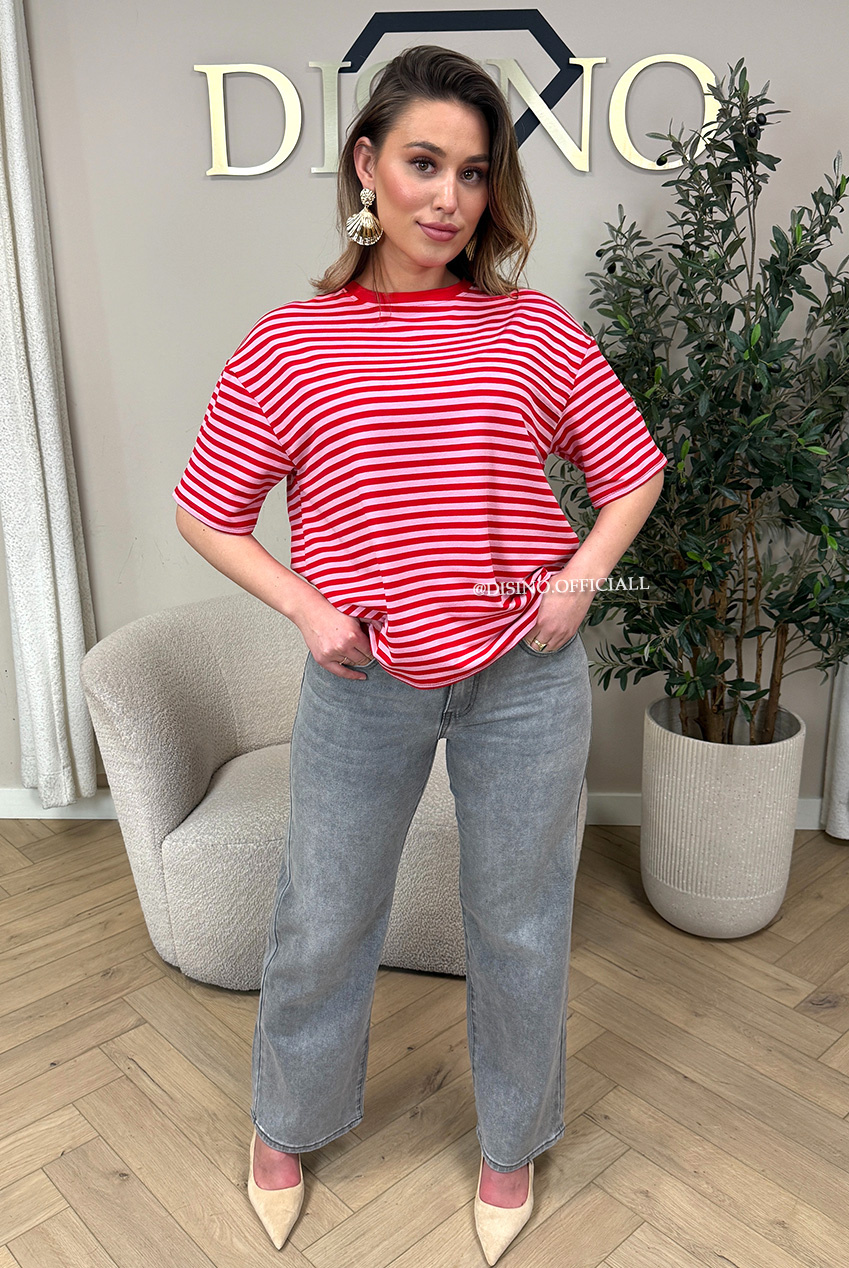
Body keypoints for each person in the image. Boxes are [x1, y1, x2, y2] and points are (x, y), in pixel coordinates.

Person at [173, 44, 667, 1265]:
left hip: (524, 679)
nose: (449, 197)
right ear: (367, 166)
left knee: (519, 920)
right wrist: (306, 608)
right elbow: (207, 507)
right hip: (364, 681)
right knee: (325, 910)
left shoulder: (531, 328)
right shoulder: (293, 341)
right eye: (424, 163)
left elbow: (632, 470)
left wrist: (577, 583)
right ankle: (287, 1122)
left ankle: (511, 1138)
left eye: (474, 172)